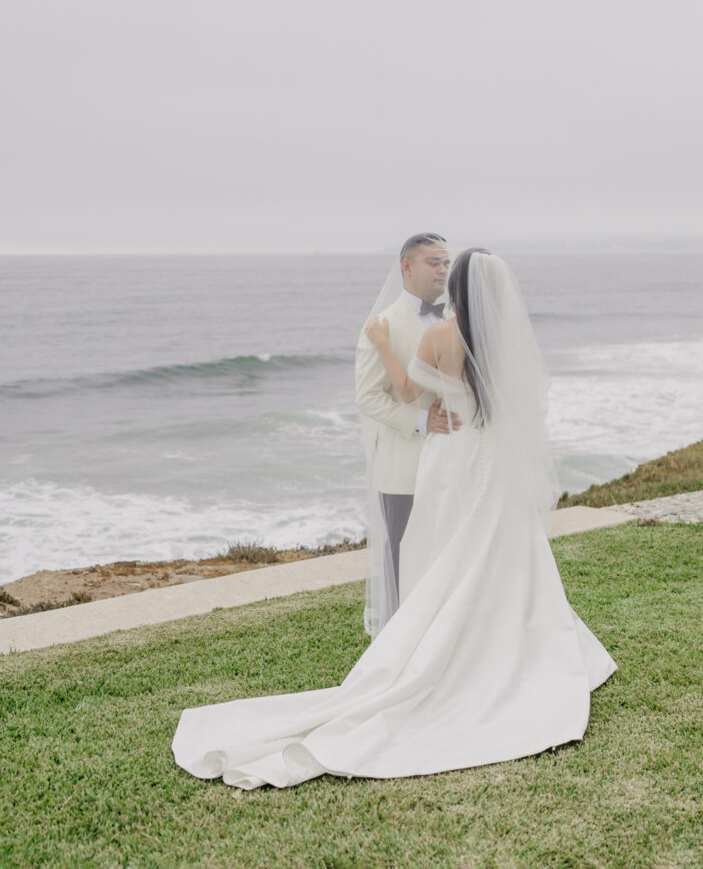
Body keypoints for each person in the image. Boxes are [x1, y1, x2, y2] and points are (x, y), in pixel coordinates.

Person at [171, 246, 617, 790]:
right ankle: (511, 638)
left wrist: (383, 343)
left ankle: (438, 638)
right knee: (499, 547)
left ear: (456, 291)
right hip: (491, 459)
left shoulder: (439, 338)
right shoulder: (506, 342)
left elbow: (407, 393)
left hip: (452, 457)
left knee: (445, 550)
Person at [354, 232, 463, 637]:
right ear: (407, 267)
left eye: (445, 263)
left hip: (454, 458)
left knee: (447, 554)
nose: (442, 269)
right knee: (403, 556)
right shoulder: (382, 325)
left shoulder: (456, 319)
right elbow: (367, 397)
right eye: (433, 262)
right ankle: (401, 645)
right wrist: (421, 423)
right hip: (403, 467)